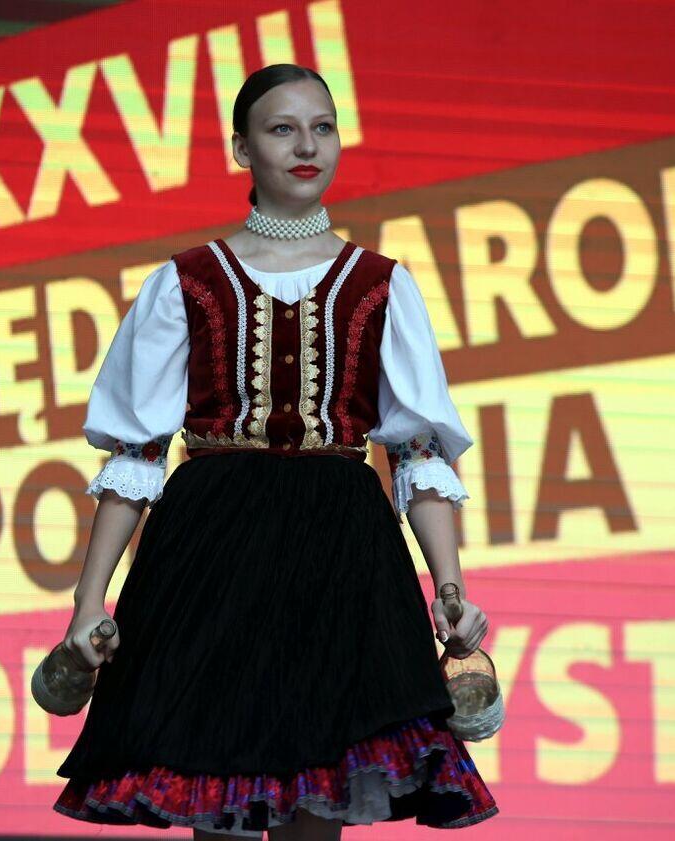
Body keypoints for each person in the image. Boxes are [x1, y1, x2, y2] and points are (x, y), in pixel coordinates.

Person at [52, 63, 498, 839]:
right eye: (282, 129)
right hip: (211, 549)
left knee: (320, 792)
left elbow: (419, 451)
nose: (307, 146)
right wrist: (90, 602)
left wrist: (450, 584)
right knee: (213, 787)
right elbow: (136, 454)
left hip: (341, 550)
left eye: (322, 128)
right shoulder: (184, 282)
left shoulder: (381, 284)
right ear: (241, 148)